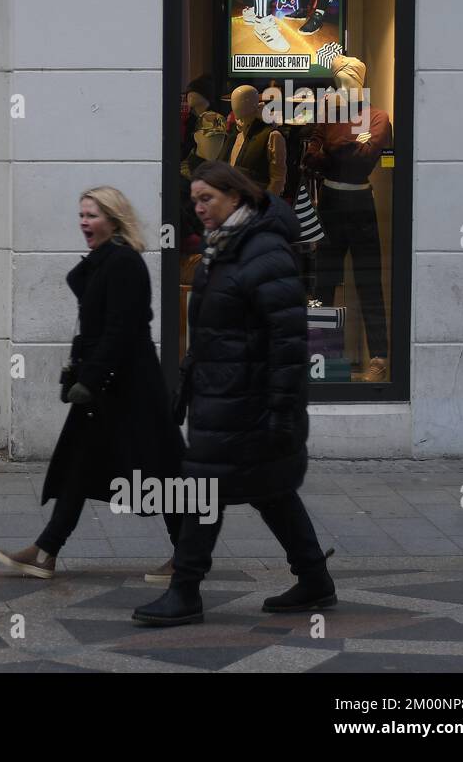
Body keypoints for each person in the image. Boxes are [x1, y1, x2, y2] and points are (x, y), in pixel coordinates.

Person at [133, 160, 335, 626]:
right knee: (273, 491)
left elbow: (287, 344)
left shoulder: (264, 253)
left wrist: (281, 413)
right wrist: (187, 382)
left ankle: (185, 591)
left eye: (208, 199)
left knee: (205, 491)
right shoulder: (224, 248)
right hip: (222, 399)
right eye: (195, 200)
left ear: (236, 198)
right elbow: (211, 330)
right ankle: (315, 580)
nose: (199, 208)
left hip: (247, 404)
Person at [0, 187, 184, 580]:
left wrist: (91, 379)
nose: (84, 222)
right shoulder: (105, 260)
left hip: (131, 386)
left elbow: (121, 330)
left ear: (114, 218)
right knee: (80, 463)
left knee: (161, 468)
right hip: (106, 385)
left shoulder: (125, 263)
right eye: (81, 215)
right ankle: (46, 550)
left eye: (92, 215)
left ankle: (188, 555)